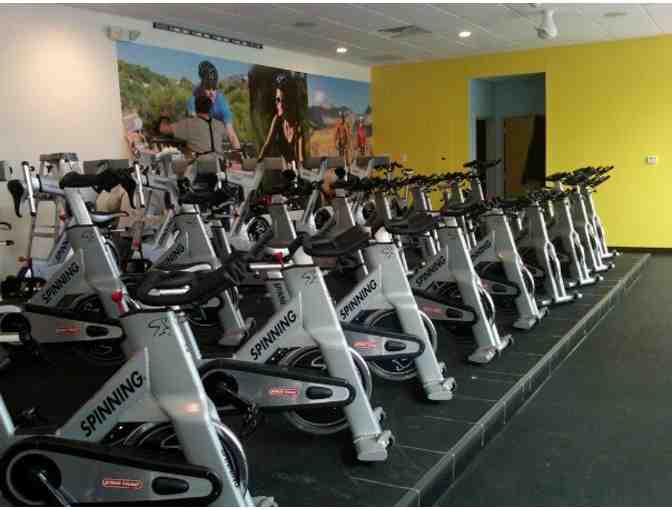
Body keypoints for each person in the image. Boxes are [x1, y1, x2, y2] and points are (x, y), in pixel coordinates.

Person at [187, 60, 241, 151]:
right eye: (208, 88)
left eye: (214, 88)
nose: (212, 93)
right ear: (202, 86)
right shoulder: (193, 100)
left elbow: (231, 134)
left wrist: (238, 153)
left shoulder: (221, 102)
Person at [258, 75, 303, 168]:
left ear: (291, 101)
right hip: (286, 169)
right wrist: (257, 164)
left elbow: (300, 160)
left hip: (298, 170)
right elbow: (267, 146)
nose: (280, 104)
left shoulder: (298, 126)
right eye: (278, 100)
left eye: (284, 100)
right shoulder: (277, 119)